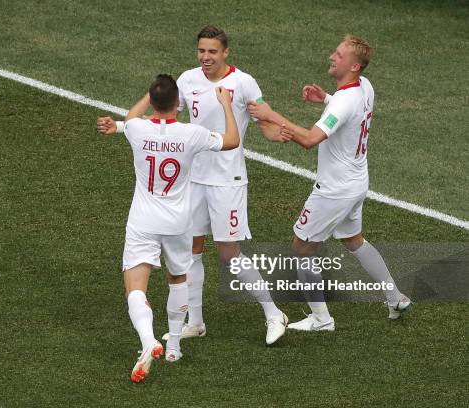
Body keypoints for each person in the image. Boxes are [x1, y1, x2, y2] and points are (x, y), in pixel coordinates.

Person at [97, 25, 290, 346]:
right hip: (193, 181)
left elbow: (264, 122)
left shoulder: (243, 83)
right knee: (193, 249)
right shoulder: (187, 80)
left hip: (228, 180)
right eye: (201, 51)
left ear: (226, 53)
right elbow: (164, 119)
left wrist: (280, 133)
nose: (205, 57)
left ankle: (273, 313)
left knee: (229, 252)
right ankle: (195, 322)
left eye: (212, 52)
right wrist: (118, 126)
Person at [248, 35, 411, 331]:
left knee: (301, 247)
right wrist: (325, 99)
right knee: (353, 241)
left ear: (354, 65)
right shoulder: (364, 86)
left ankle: (322, 319)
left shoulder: (345, 102)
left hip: (335, 190)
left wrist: (271, 115)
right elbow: (348, 109)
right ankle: (395, 297)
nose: (331, 57)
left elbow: (310, 139)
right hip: (357, 182)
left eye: (338, 54)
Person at [102, 74, 240, 382]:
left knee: (135, 289)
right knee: (178, 277)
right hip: (179, 221)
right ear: (178, 103)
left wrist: (149, 98)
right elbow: (232, 140)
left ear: (152, 100)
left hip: (143, 220)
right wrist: (227, 106)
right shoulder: (191, 134)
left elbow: (131, 118)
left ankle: (149, 339)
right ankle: (174, 345)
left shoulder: (136, 130)